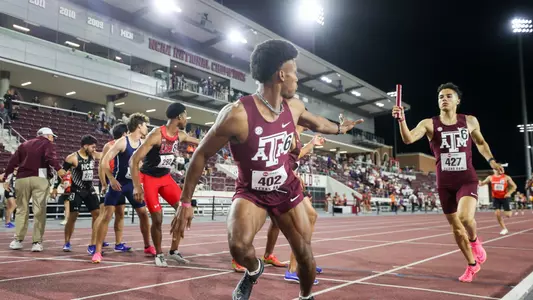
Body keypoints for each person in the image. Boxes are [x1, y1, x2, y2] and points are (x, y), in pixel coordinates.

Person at [172, 39, 362, 300]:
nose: (298, 79)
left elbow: (318, 122)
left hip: (286, 189)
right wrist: (185, 203)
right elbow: (202, 153)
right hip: (252, 192)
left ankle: (305, 297)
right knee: (238, 246)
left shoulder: (293, 107)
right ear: (281, 74)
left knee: (305, 255)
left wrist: (341, 128)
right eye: (295, 72)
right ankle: (253, 270)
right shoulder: (237, 115)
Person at [392, 82, 503, 282]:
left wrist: (492, 161)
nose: (444, 99)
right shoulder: (429, 123)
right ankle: (471, 264)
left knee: (465, 218)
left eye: (449, 96)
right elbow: (408, 139)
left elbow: (480, 143)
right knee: (456, 228)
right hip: (445, 184)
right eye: (441, 96)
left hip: (466, 179)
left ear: (457, 101)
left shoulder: (469, 121)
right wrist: (401, 120)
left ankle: (475, 241)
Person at [231, 126, 325, 282]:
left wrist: (311, 144)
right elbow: (283, 158)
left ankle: (270, 256)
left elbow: (291, 157)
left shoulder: (295, 133)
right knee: (307, 217)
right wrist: (310, 145)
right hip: (276, 182)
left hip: (284, 181)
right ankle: (296, 268)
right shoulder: (287, 129)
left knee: (277, 223)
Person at [130, 103, 199, 267]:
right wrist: (137, 186)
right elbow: (134, 160)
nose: (187, 119)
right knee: (158, 219)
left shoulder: (180, 135)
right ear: (179, 117)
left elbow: (200, 141)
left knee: (184, 211)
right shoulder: (156, 135)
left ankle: (174, 251)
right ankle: (159, 254)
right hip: (149, 179)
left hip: (166, 178)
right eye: (186, 116)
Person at [92, 114, 155, 263]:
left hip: (133, 185)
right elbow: (104, 162)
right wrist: (111, 179)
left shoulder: (143, 143)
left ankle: (147, 245)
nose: (147, 128)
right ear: (139, 126)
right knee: (107, 215)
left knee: (143, 214)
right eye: (146, 125)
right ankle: (98, 251)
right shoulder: (122, 142)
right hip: (118, 184)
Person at [5, 127, 65, 251]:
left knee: (21, 209)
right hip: (40, 176)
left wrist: (6, 176)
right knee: (39, 210)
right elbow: (50, 157)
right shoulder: (47, 143)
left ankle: (18, 240)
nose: (53, 139)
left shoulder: (24, 144)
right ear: (47, 136)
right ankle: (36, 242)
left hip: (22, 178)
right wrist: (59, 169)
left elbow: (13, 162)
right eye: (52, 136)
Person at [60, 135, 103, 254]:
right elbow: (63, 172)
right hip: (76, 190)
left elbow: (105, 154)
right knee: (73, 216)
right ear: (85, 146)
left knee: (97, 214)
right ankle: (67, 242)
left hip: (89, 189)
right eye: (93, 147)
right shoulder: (72, 158)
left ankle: (93, 244)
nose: (94, 149)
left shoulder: (93, 155)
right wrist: (56, 186)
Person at [97, 123, 128, 250]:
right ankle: (98, 240)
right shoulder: (108, 146)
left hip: (120, 182)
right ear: (124, 133)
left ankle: (118, 243)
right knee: (106, 213)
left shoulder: (127, 145)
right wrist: (104, 183)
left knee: (120, 213)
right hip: (109, 181)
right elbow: (101, 166)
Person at [479, 169, 516, 235]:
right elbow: (482, 183)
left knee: (508, 215)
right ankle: (504, 228)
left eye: (499, 169)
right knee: (497, 214)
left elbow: (514, 186)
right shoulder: (490, 177)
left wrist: (509, 193)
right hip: (495, 198)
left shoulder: (506, 177)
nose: (497, 170)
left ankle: (509, 209)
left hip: (505, 197)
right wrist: (479, 182)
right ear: (493, 170)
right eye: (495, 169)